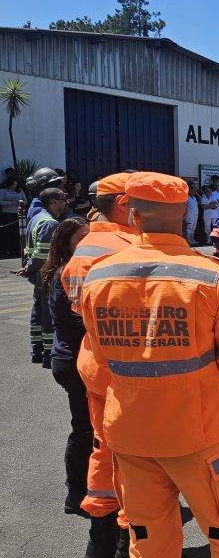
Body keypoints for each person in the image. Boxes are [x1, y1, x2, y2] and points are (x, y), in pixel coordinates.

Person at [79, 172, 219, 557]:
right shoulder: (209, 275)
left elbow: (98, 362)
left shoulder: (100, 275)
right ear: (183, 217)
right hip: (197, 433)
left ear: (134, 215)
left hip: (129, 434)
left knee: (148, 539)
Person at [61, 173, 138, 551]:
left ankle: (101, 537)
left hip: (95, 363)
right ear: (125, 204)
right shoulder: (130, 246)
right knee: (137, 459)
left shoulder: (85, 246)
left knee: (103, 446)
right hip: (129, 371)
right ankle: (128, 535)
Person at [42, 218, 93, 521]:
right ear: (66, 242)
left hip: (70, 358)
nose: (88, 242)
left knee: (86, 427)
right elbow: (68, 323)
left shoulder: (69, 269)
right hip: (71, 361)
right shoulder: (66, 272)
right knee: (84, 428)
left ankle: (83, 491)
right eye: (81, 238)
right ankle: (76, 494)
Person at [20, 186, 67, 366]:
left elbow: (30, 249)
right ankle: (48, 353)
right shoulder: (50, 223)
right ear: (53, 202)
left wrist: (28, 268)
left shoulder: (35, 218)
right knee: (48, 312)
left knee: (38, 310)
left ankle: (37, 348)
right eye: (62, 199)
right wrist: (30, 268)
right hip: (45, 273)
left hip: (37, 274)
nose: (65, 202)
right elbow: (42, 254)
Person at [0, 175, 26, 257]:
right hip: (7, 213)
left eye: (16, 184)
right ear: (9, 184)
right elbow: (0, 201)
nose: (14, 186)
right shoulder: (3, 191)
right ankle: (7, 250)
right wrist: (11, 203)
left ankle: (17, 249)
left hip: (18, 213)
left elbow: (25, 200)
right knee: (8, 232)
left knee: (17, 232)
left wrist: (20, 203)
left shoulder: (19, 191)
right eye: (13, 185)